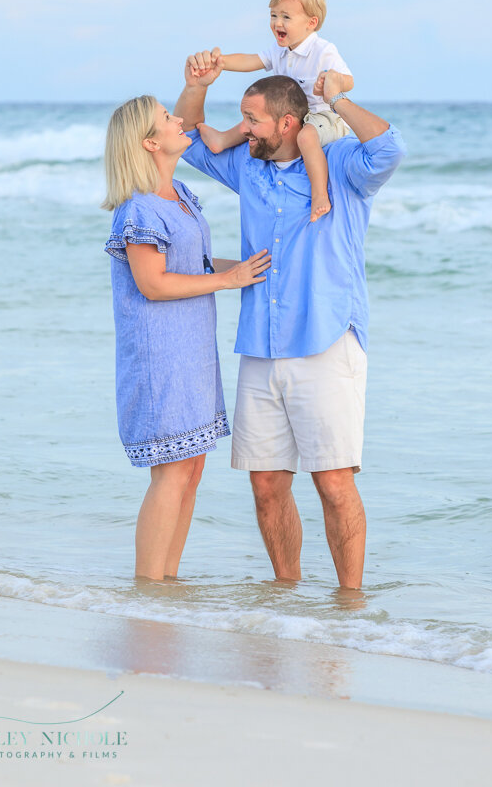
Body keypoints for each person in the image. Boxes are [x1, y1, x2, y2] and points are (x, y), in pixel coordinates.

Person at [173, 63, 406, 590]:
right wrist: (198, 85)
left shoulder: (341, 165)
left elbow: (391, 148)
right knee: (266, 484)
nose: (244, 130)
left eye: (252, 120)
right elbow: (187, 138)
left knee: (334, 481)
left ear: (286, 124)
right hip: (260, 343)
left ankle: (350, 602)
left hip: (326, 340)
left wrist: (338, 100)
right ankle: (287, 596)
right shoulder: (248, 166)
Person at [102, 95, 271, 581]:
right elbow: (153, 284)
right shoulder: (139, 210)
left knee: (191, 469)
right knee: (173, 472)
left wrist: (247, 270)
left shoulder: (181, 196)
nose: (181, 120)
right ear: (150, 142)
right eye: (168, 119)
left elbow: (191, 267)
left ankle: (165, 583)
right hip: (161, 355)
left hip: (192, 349)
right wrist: (228, 281)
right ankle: (147, 586)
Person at [192, 0, 354, 222]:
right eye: (274, 15)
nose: (278, 23)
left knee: (306, 136)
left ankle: (319, 193)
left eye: (286, 17)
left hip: (322, 116)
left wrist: (332, 80)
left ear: (311, 23)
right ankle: (222, 140)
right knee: (257, 120)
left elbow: (348, 80)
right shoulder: (281, 50)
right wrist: (221, 62)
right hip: (291, 114)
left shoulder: (323, 51)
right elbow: (251, 61)